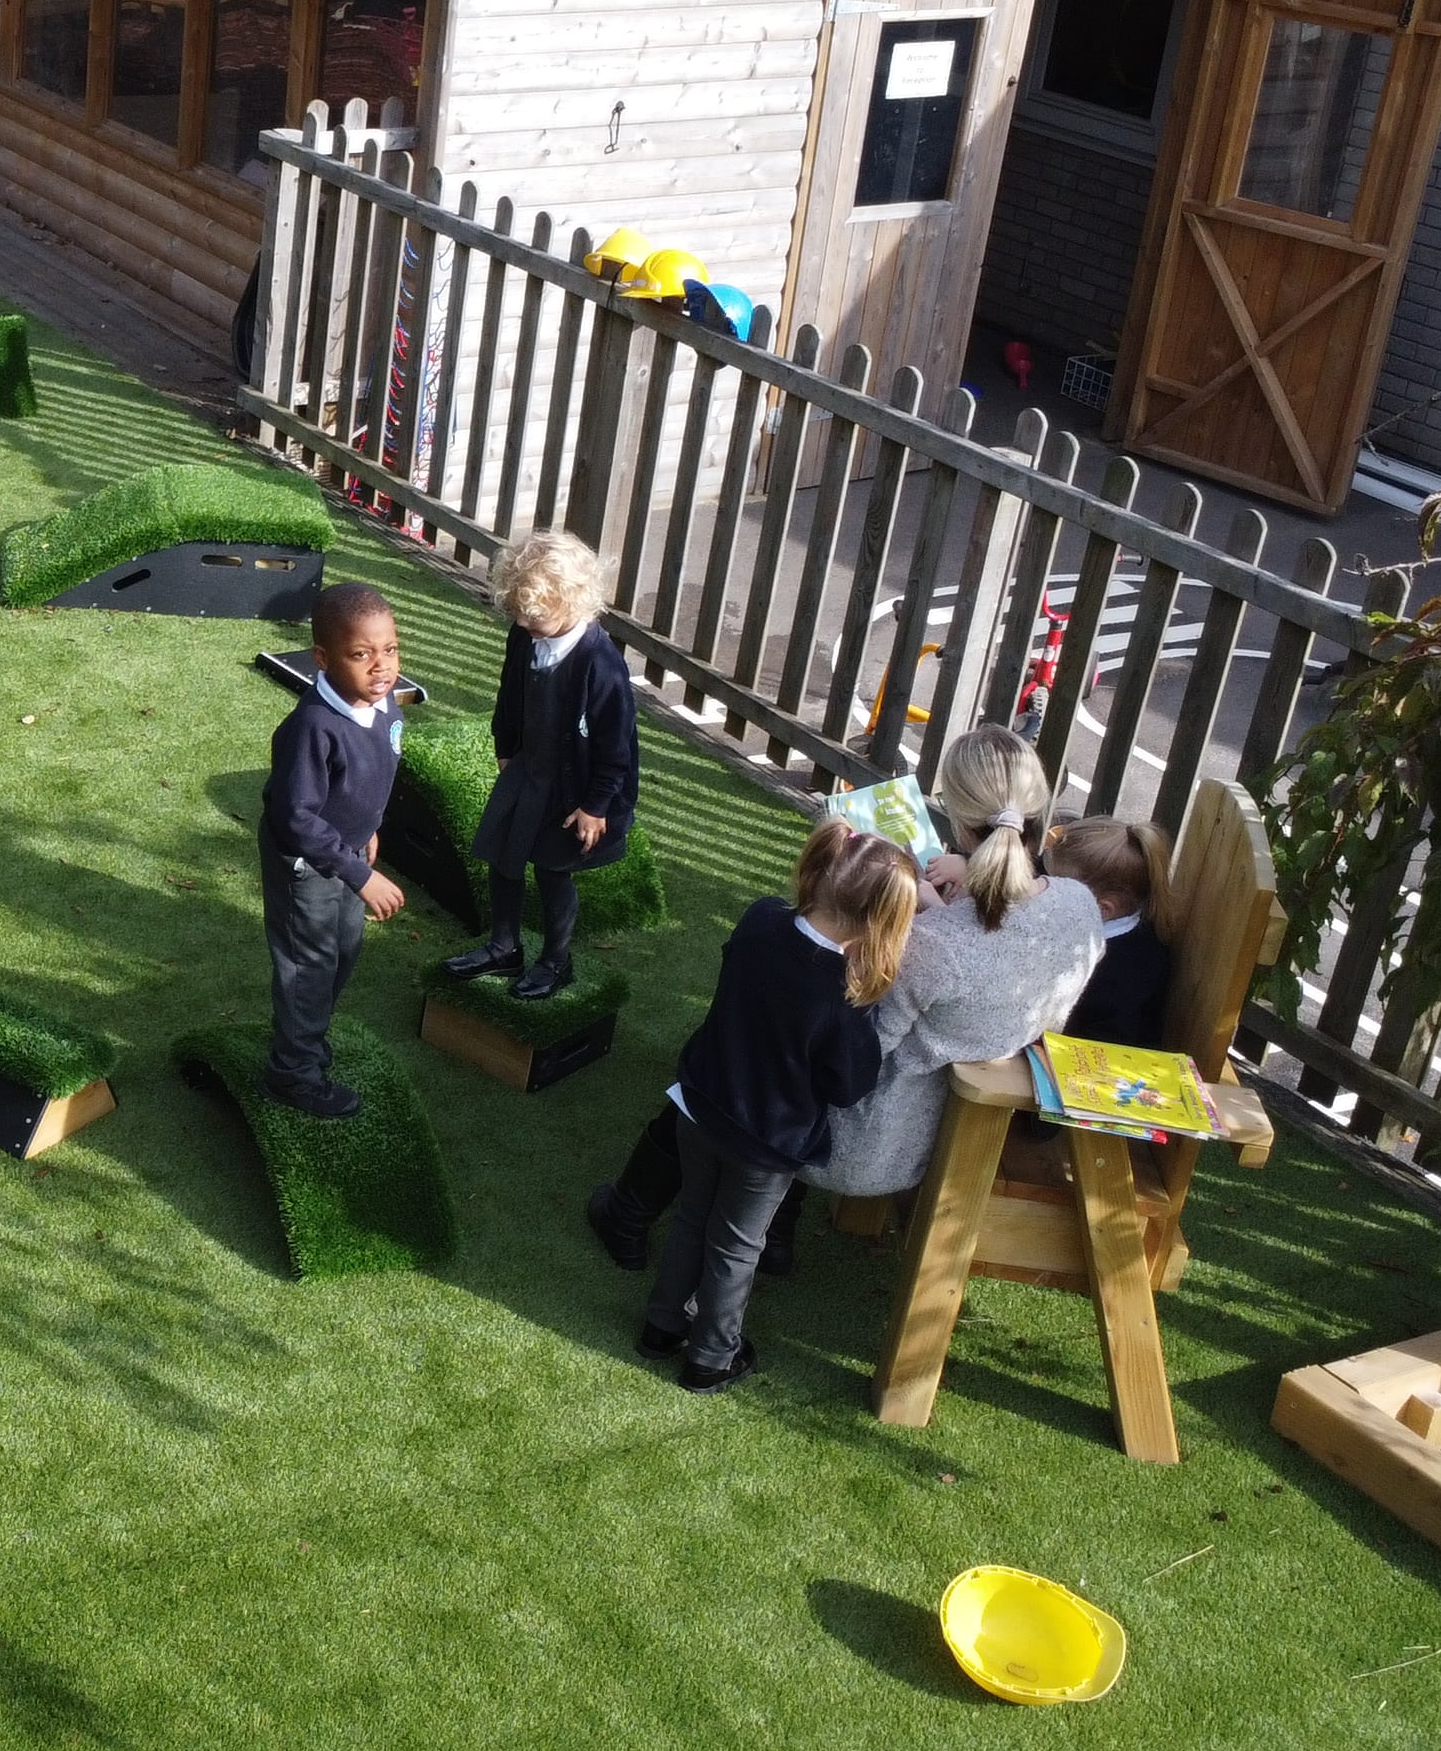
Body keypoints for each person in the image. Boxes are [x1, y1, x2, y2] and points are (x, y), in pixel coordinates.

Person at [640, 822, 918, 1392]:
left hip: (700, 1105)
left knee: (693, 1217)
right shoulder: (845, 997)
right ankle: (710, 1358)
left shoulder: (761, 919)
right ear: (879, 923)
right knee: (736, 1247)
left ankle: (661, 1327)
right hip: (766, 1142)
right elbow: (846, 1086)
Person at [796, 725, 1108, 1205]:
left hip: (877, 1143)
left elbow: (865, 1042)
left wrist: (903, 922)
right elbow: (996, 954)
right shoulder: (1081, 905)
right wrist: (940, 914)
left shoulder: (934, 945)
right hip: (983, 1104)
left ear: (959, 823)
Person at [436, 529, 637, 1002]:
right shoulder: (524, 636)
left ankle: (555, 960)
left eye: (536, 615)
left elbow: (616, 748)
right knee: (504, 855)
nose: (525, 622)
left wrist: (596, 806)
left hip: (575, 791)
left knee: (551, 869)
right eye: (518, 613)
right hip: (529, 769)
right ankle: (503, 946)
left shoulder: (601, 666)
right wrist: (505, 746)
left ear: (574, 602)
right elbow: (510, 695)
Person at [258, 582, 408, 1119]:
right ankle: (292, 1074)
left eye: (389, 649)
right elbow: (294, 817)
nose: (381, 667)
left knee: (344, 949)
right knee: (310, 962)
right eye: (361, 654)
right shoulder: (312, 729)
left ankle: (308, 1041)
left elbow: (371, 776)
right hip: (307, 864)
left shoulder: (383, 700)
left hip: (347, 852)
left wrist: (368, 828)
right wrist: (359, 873)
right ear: (322, 659)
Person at [1046, 817, 1177, 1049]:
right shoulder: (1108, 918)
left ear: (1102, 908)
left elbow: (1104, 1043)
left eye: (1057, 888)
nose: (1044, 889)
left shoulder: (1127, 972)